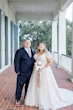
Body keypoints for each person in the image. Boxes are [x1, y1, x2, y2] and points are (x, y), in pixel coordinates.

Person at [25, 42, 73, 110]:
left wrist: (42, 67)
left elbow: (50, 62)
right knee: (35, 84)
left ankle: (43, 100)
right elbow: (35, 60)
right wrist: (36, 64)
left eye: (42, 45)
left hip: (44, 71)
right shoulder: (36, 53)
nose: (41, 46)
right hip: (36, 71)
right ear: (38, 47)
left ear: (44, 46)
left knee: (44, 85)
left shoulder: (47, 53)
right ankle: (35, 100)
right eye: (39, 45)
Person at [14, 39, 35, 106]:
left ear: (30, 43)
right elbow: (16, 61)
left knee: (28, 87)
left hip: (31, 73)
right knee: (19, 87)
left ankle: (26, 98)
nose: (27, 43)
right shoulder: (19, 51)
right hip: (22, 73)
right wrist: (17, 71)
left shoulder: (33, 51)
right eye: (26, 42)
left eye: (29, 42)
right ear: (24, 43)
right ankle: (17, 99)